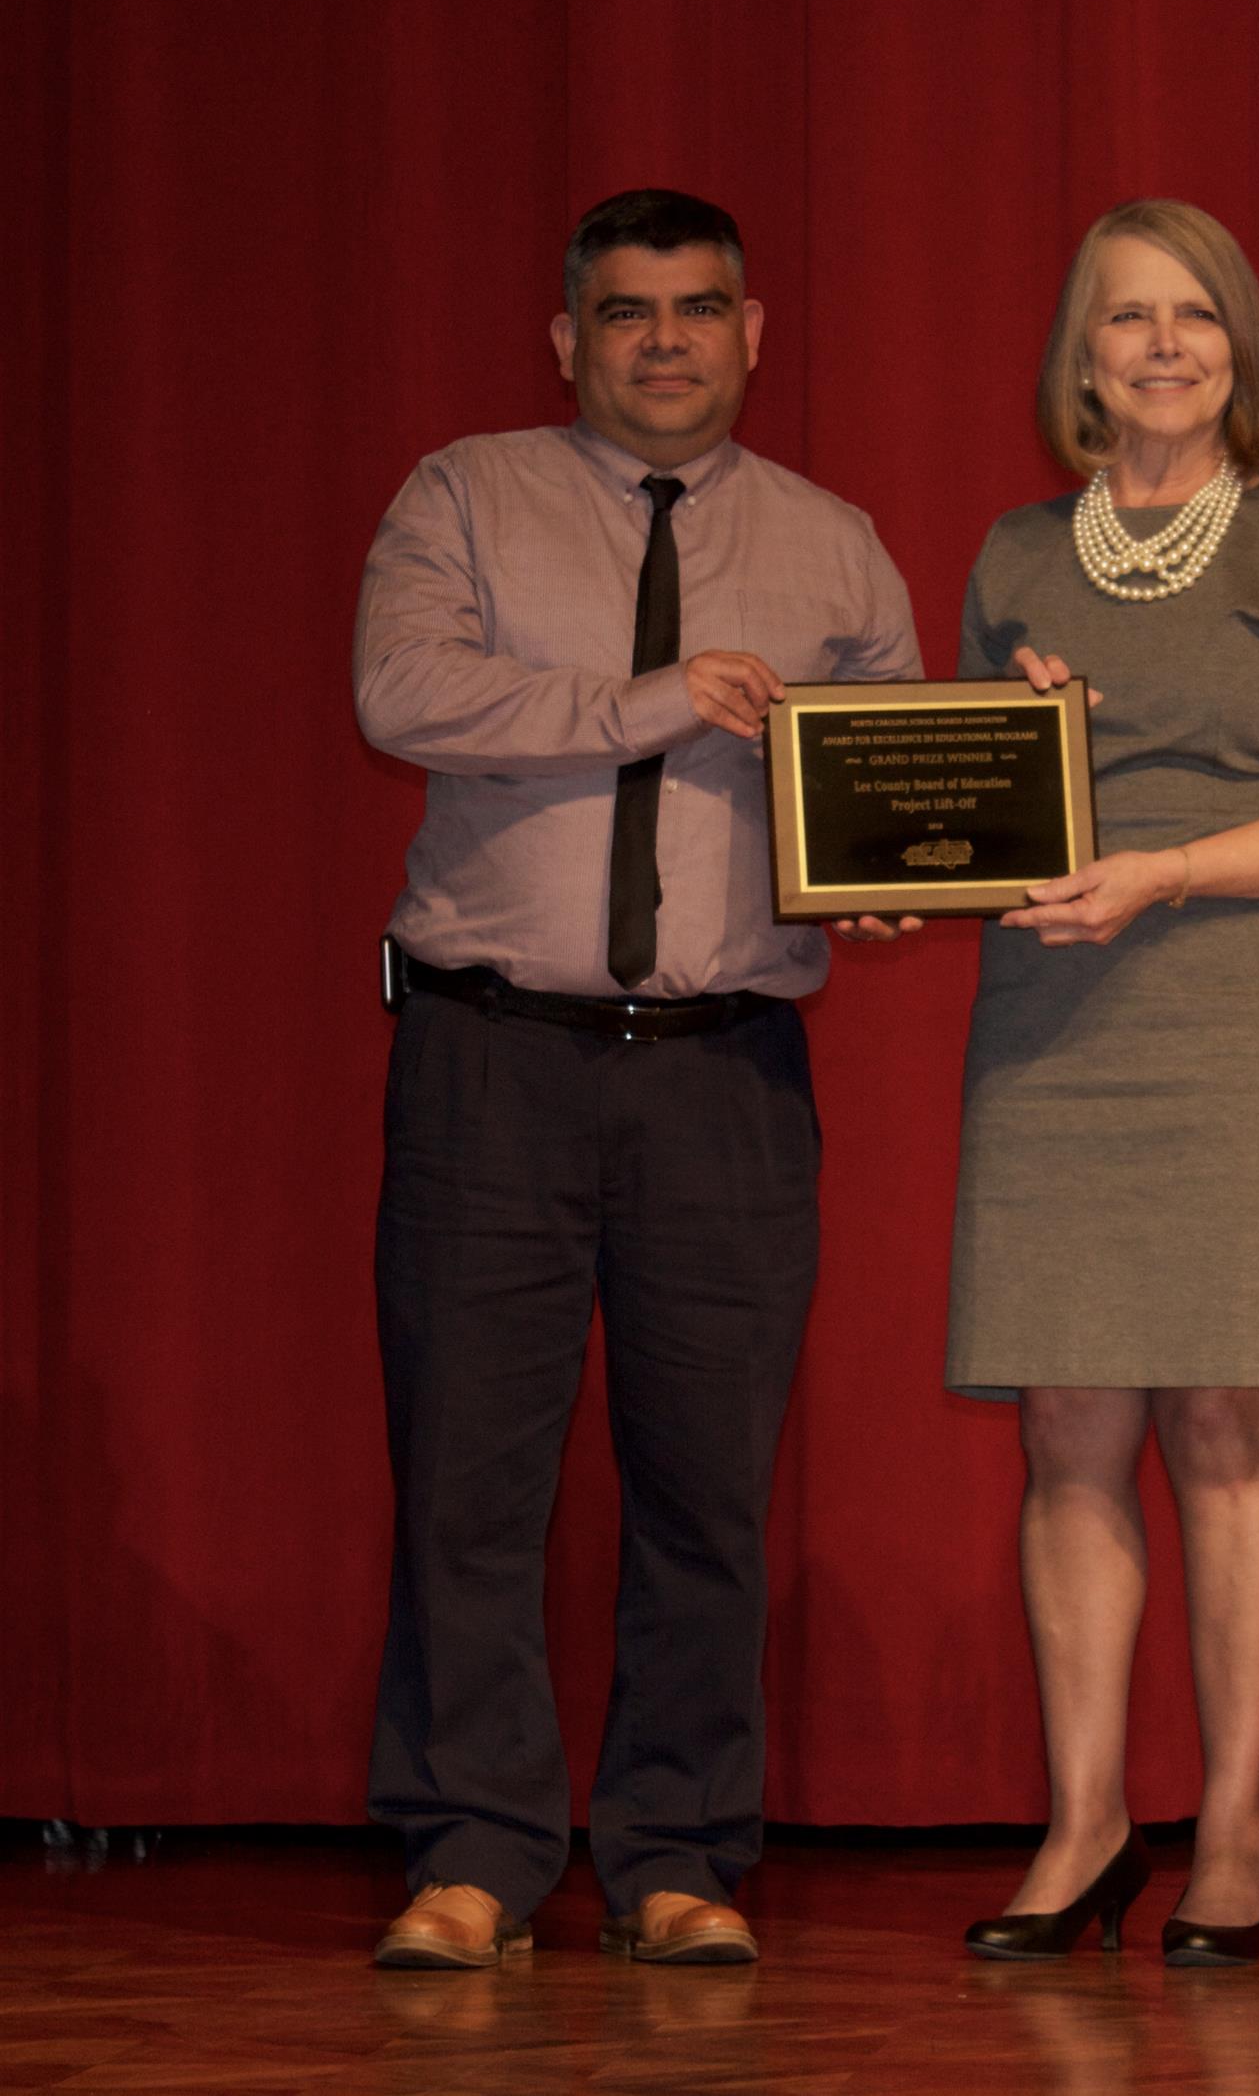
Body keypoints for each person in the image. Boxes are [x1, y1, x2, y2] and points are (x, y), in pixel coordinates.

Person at [355, 188, 920, 1971]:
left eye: (697, 309)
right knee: (466, 1478)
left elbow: (896, 775)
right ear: (568, 339)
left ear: (756, 333)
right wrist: (653, 698)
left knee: (706, 1489)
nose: (663, 339)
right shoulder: (461, 495)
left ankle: (677, 1854)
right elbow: (402, 691)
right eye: (625, 312)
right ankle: (476, 1853)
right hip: (490, 1058)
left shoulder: (837, 548)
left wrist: (918, 865)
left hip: (722, 1075)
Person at [949, 199, 1259, 1967]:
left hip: (1252, 1018)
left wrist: (1162, 867)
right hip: (1054, 1022)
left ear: (1243, 350)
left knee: (1229, 1429)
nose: (1163, 345)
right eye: (1129, 318)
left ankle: (1231, 1826)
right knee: (1065, 1428)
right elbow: (975, 800)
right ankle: (1084, 1824)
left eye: (1196, 317)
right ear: (1081, 358)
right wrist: (1002, 772)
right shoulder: (1012, 556)